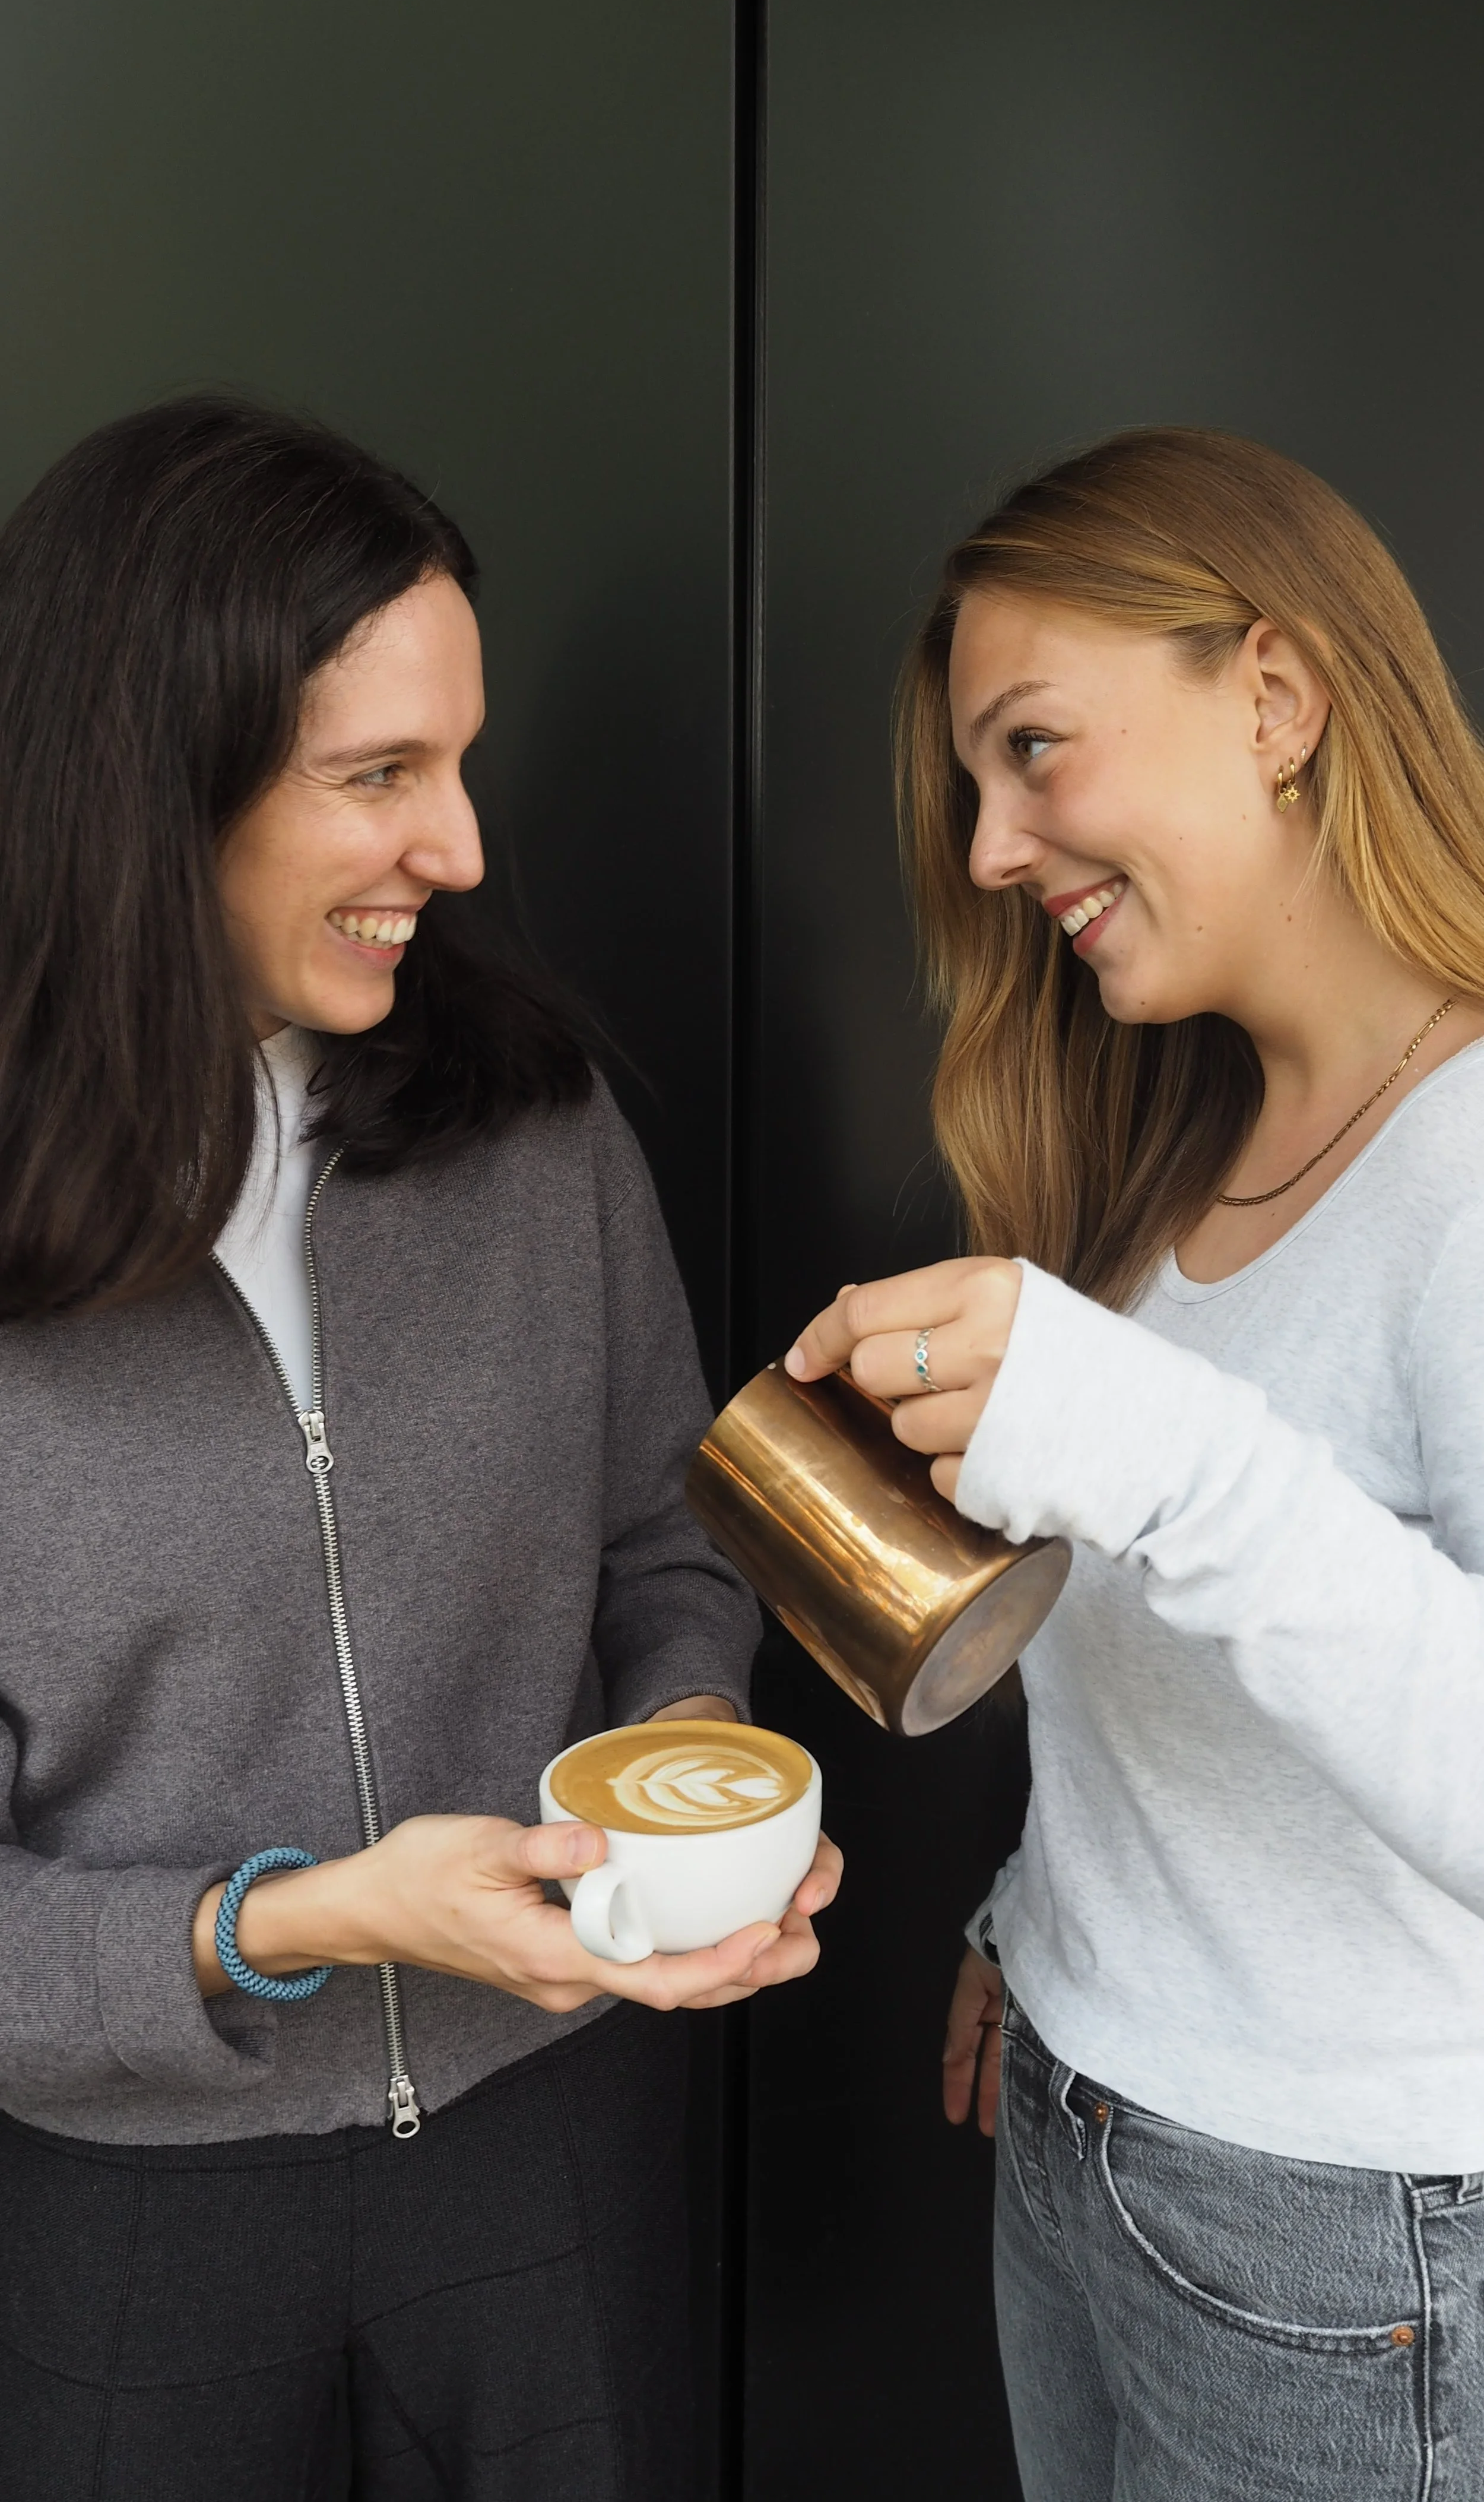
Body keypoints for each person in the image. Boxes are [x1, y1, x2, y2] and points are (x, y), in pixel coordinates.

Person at [0, 395, 841, 2501]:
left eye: (452, 764)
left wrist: (685, 1788)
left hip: (548, 2147)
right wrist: (294, 1921)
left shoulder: (529, 1117)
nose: (460, 850)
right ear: (145, 784)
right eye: (379, 777)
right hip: (130, 2218)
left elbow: (674, 1532)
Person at [786, 429, 1484, 2500]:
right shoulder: (1179, 1145)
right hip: (1082, 2132)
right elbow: (1201, 1685)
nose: (994, 847)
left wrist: (1155, 1444)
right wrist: (1046, 1910)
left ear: (1271, 699)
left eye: (1032, 750)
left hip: (1337, 2225)